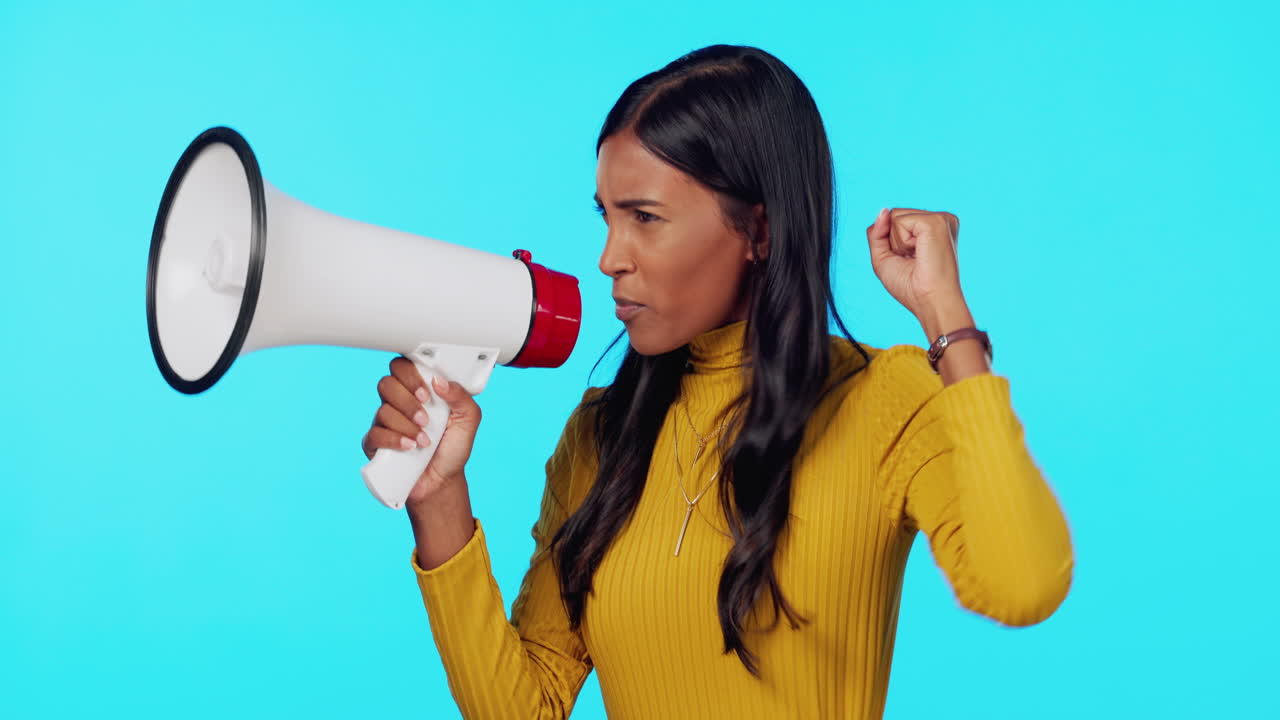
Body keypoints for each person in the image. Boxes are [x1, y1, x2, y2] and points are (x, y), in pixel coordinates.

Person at [361, 44, 1074, 719]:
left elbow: (1023, 582)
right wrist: (440, 499)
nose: (610, 257)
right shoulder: (603, 434)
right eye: (607, 216)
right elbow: (526, 705)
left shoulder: (881, 400)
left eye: (645, 217)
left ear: (759, 232)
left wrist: (947, 321)